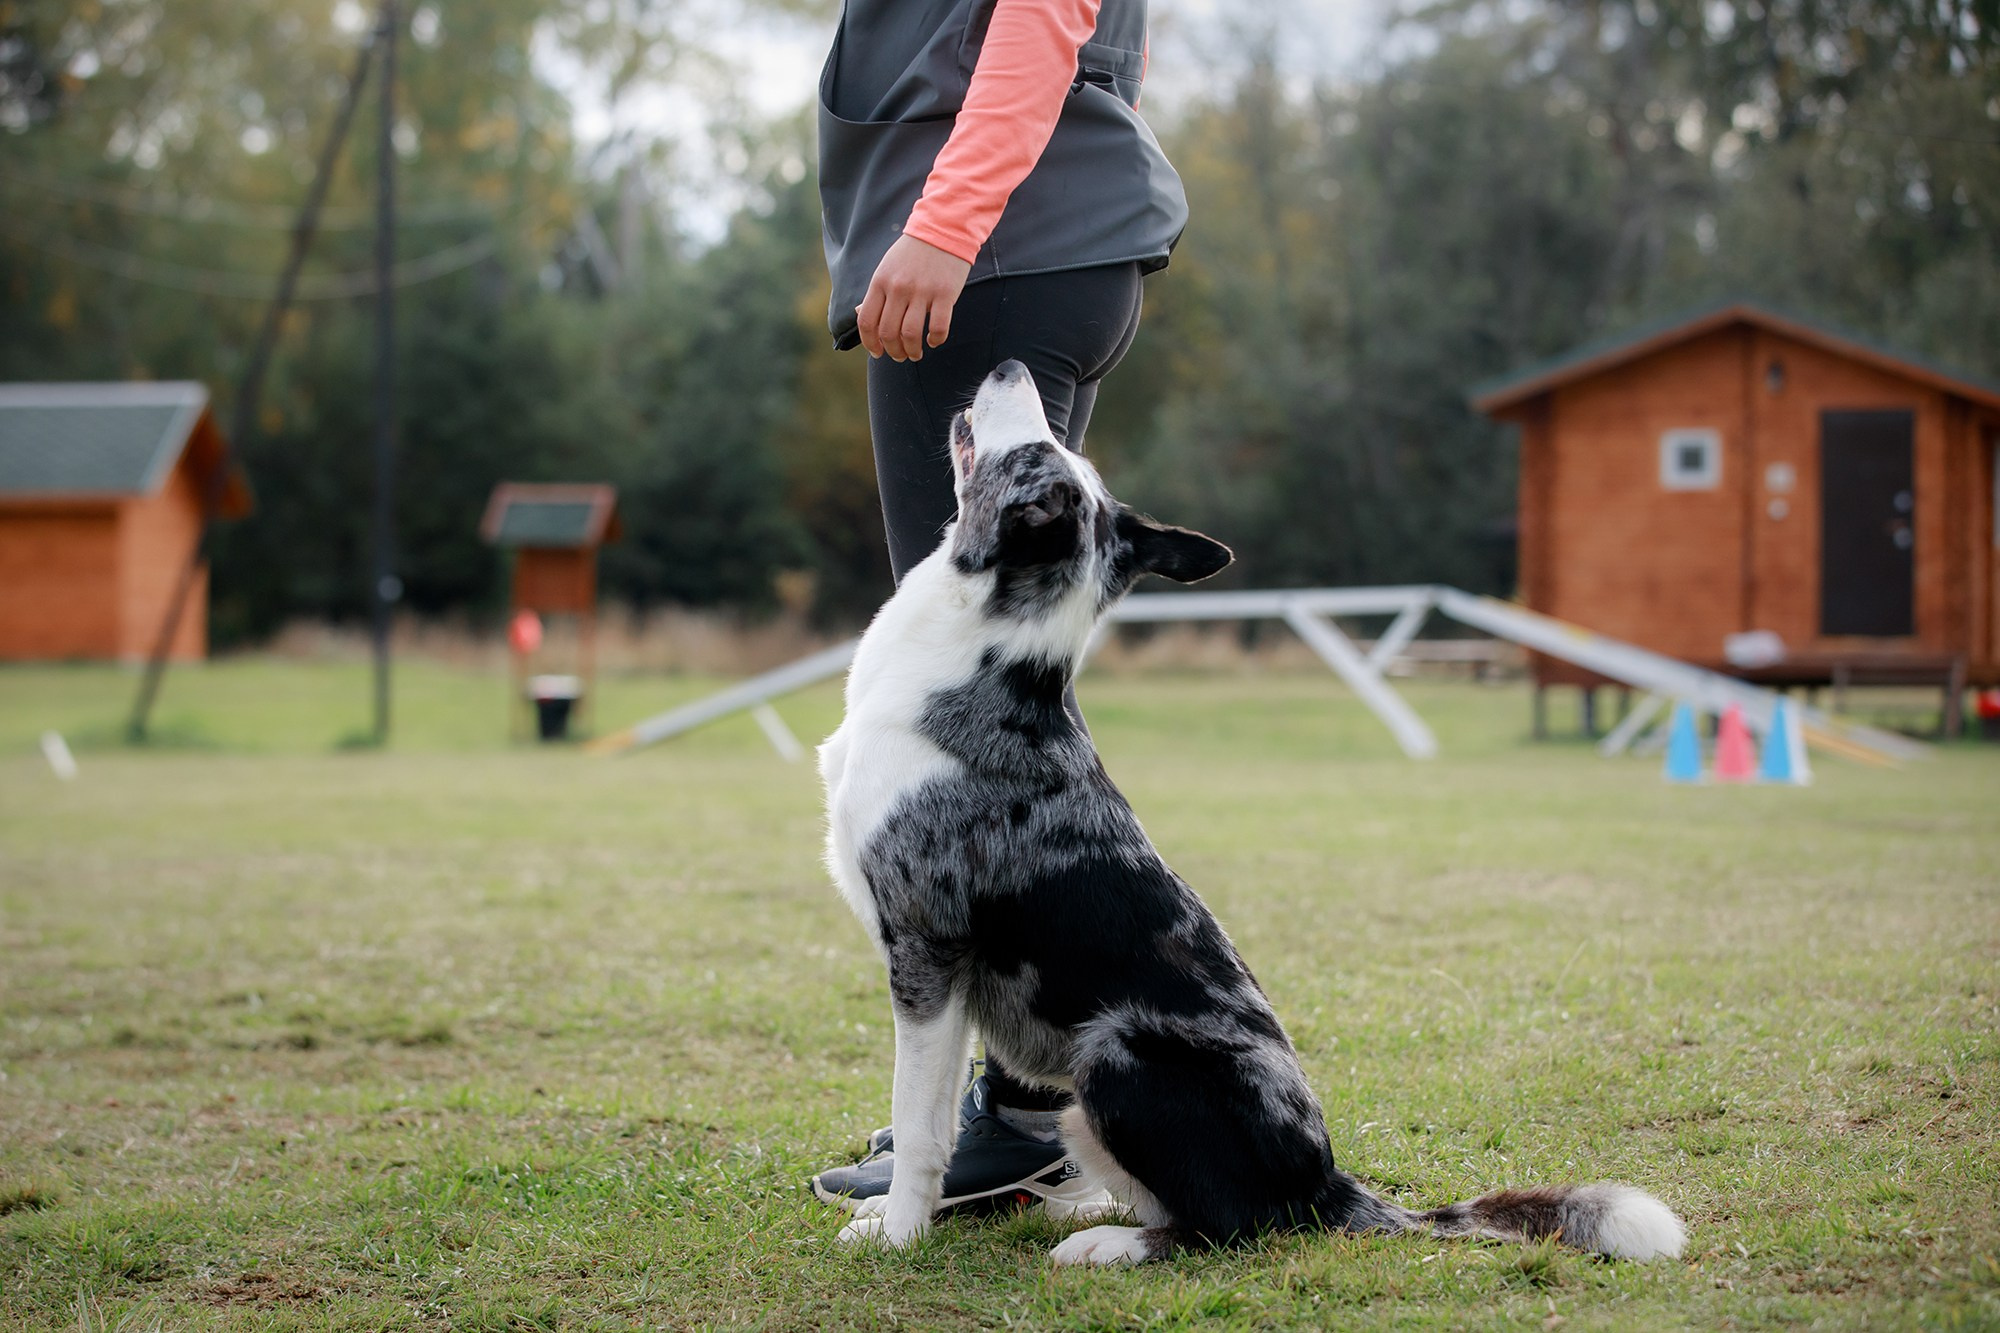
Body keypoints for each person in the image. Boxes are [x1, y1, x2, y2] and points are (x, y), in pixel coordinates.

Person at [807, 0, 1187, 1218]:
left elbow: (1041, 18)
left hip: (994, 248)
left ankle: (1022, 1115)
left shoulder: (969, 230)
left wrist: (941, 226)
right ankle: (1021, 1107)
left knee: (978, 715)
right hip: (1040, 239)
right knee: (993, 710)